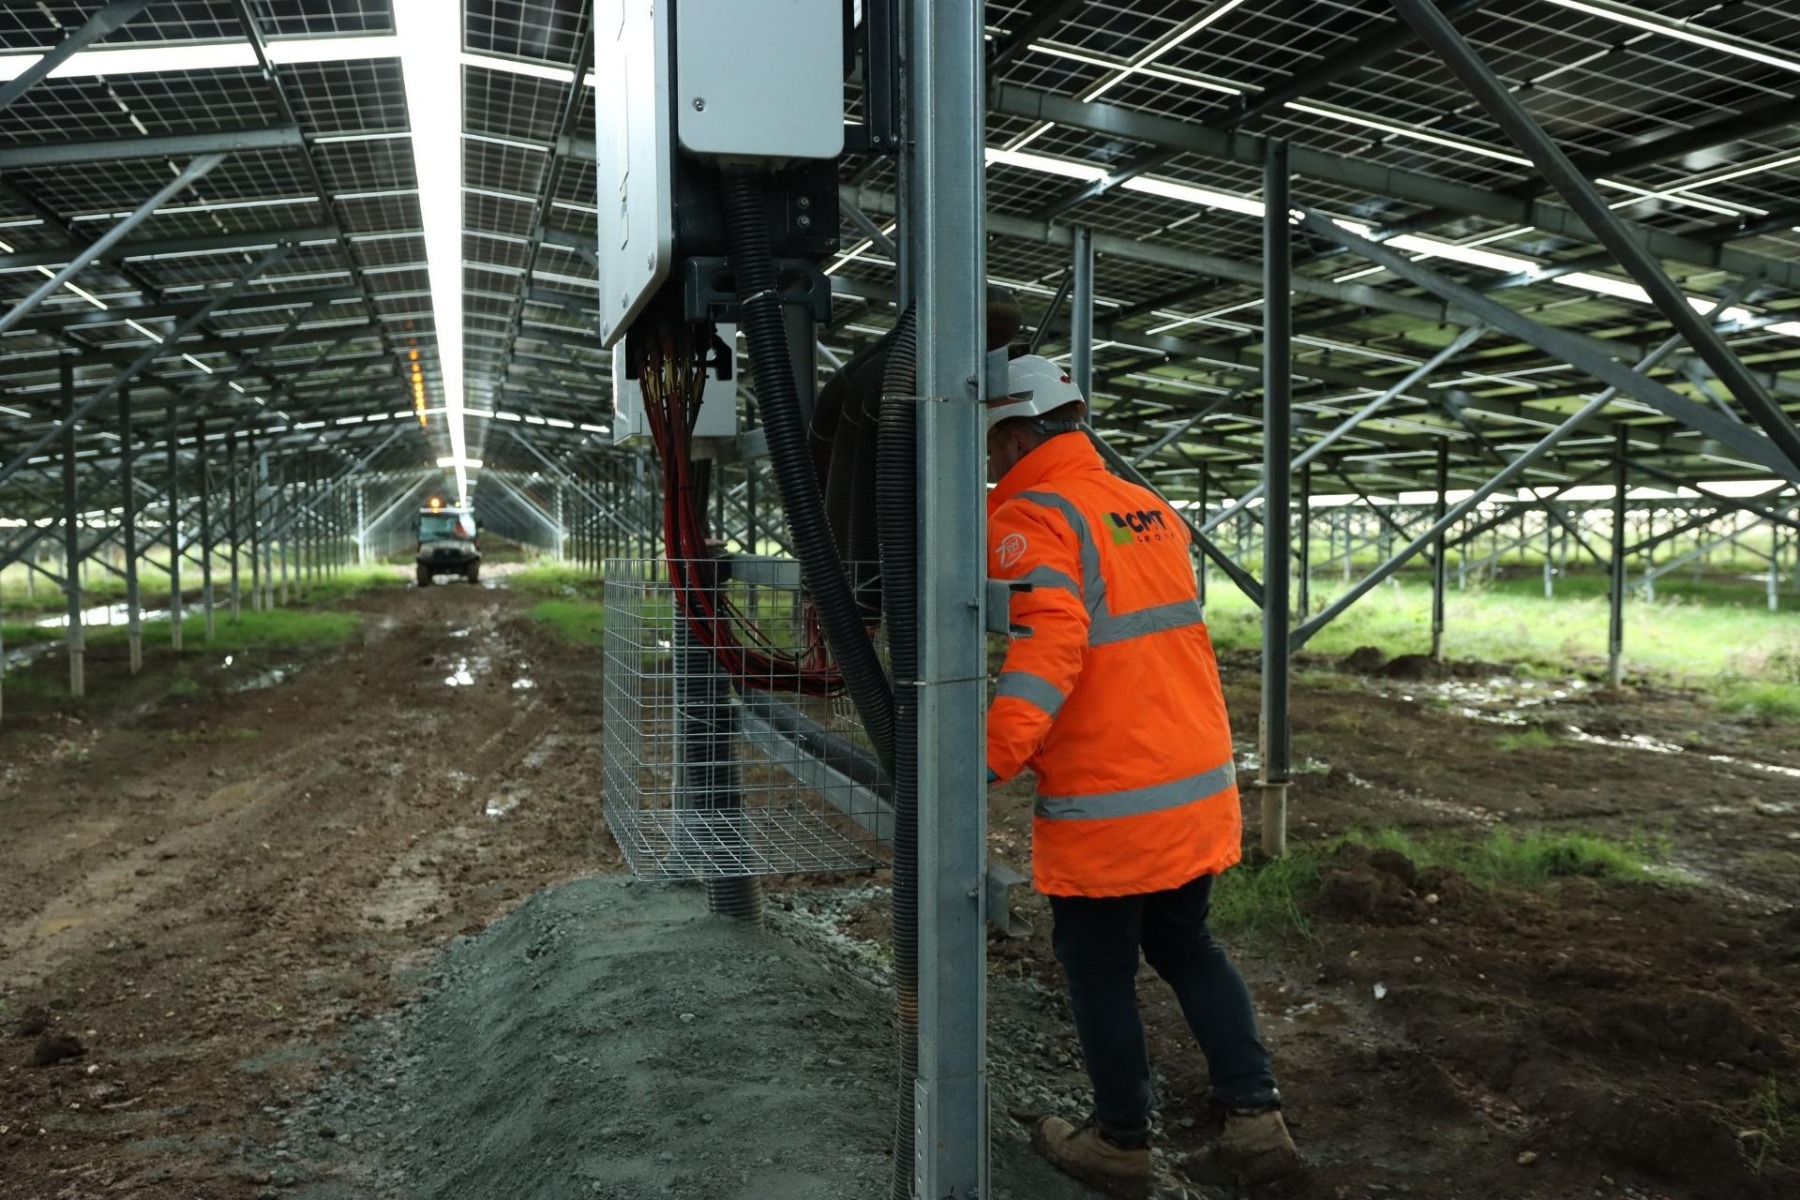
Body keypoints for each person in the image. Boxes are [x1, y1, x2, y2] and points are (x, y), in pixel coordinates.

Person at [983, 356, 1302, 1198]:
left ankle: (1120, 1143)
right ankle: (1255, 1120)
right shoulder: (1145, 506)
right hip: (1192, 779)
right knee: (1186, 942)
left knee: (1097, 968)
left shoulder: (1032, 513)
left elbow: (1049, 646)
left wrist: (989, 753)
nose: (987, 466)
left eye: (989, 448)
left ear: (1015, 434)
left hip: (1111, 795)